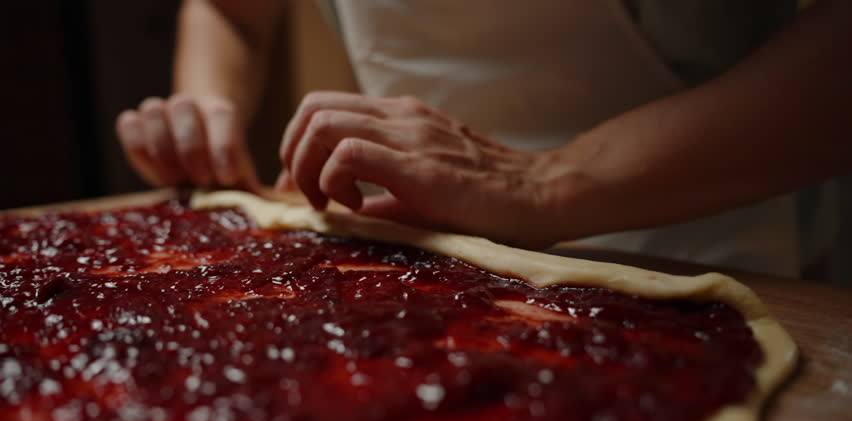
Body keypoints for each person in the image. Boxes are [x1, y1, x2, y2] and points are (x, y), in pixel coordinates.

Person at [116, 0, 852, 277]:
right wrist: (203, 105)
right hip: (413, 256)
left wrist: (545, 182)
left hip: (726, 249)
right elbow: (234, 13)